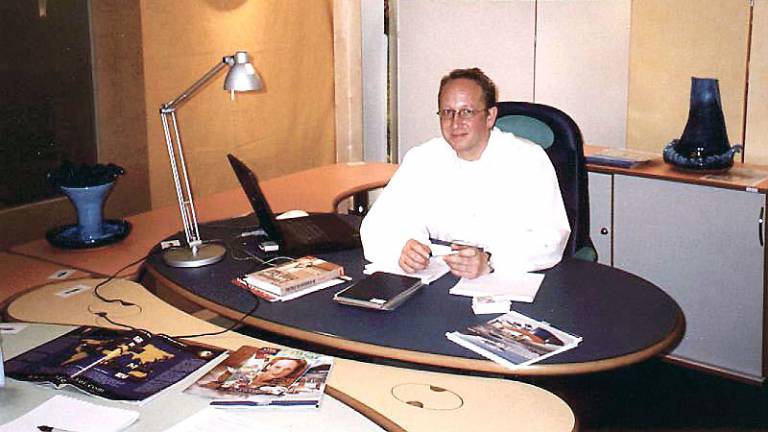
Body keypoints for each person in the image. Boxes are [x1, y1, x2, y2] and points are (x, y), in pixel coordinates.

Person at [360, 68, 570, 279]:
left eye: (467, 112)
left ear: (490, 116)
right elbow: (378, 224)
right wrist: (403, 247)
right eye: (447, 112)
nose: (455, 123)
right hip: (437, 279)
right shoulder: (423, 158)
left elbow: (551, 238)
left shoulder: (528, 160)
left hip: (505, 279)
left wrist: (491, 260)